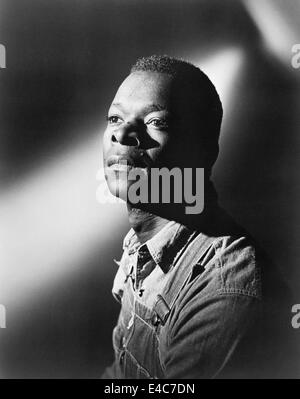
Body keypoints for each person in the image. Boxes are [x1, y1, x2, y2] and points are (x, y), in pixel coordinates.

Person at [100, 55, 293, 379]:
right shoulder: (143, 246)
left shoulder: (224, 289)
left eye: (156, 122)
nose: (123, 134)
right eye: (115, 118)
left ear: (204, 151)